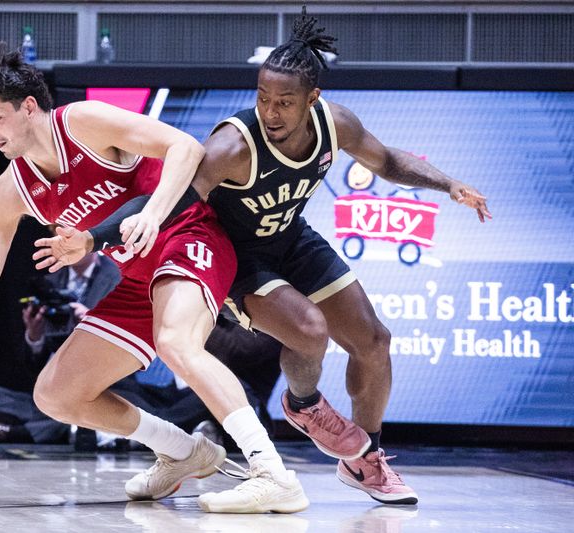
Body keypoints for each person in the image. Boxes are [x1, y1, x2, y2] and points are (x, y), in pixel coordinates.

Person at [0, 44, 308, 514]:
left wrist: (154, 213)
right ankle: (184, 452)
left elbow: (185, 147)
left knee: (176, 342)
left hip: (188, 238)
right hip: (138, 279)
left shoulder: (82, 122)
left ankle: (273, 473)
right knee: (54, 395)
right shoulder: (11, 190)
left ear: (27, 108)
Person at [191, 9, 492, 505]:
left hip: (291, 238)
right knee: (310, 331)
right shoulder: (232, 146)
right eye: (263, 98)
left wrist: (448, 183)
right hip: (239, 256)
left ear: (313, 99)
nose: (271, 113)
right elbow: (181, 203)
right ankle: (303, 404)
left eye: (285, 102)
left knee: (374, 341)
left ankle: (365, 460)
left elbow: (389, 161)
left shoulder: (336, 124)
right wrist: (194, 272)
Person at [0, 252, 121, 444]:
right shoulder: (49, 283)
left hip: (102, 388)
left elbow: (128, 342)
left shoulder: (117, 277)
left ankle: (13, 433)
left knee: (88, 407)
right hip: (55, 389)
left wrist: (93, 325)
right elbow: (32, 368)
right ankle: (67, 428)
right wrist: (34, 337)